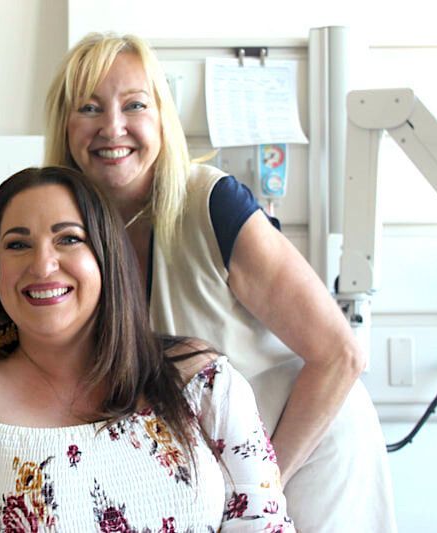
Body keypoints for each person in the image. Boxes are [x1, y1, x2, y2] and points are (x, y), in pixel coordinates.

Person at [43, 33, 395, 532]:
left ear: (162, 116)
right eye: (90, 108)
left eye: (134, 105)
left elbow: (340, 354)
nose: (112, 127)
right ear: (65, 124)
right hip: (204, 466)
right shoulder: (66, 232)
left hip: (306, 439)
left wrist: (261, 486)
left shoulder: (214, 204)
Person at [0, 167, 294, 531]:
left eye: (69, 239)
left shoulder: (203, 381)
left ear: (106, 256)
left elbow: (264, 523)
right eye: (18, 244)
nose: (42, 265)